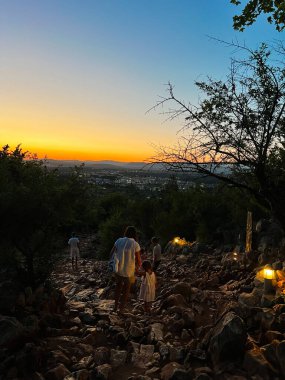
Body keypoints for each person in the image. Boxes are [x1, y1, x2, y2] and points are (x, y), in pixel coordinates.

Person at [110, 226, 141, 314]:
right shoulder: (135, 244)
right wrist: (138, 267)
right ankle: (121, 309)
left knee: (118, 287)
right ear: (135, 234)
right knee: (126, 290)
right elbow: (139, 259)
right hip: (129, 271)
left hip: (118, 269)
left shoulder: (119, 240)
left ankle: (115, 307)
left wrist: (113, 264)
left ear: (126, 232)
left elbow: (111, 253)